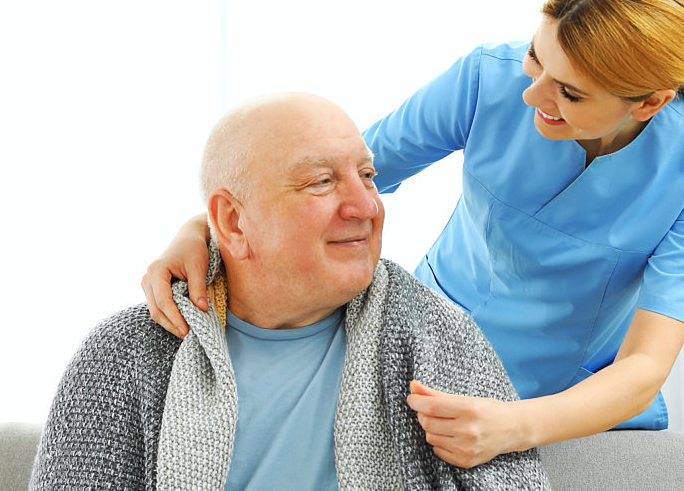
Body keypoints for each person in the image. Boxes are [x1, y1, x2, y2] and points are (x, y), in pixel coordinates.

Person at [139, 0, 684, 469]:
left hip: (572, 402)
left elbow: (646, 362)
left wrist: (516, 426)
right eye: (538, 58)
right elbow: (338, 181)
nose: (532, 94)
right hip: (425, 358)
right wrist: (210, 227)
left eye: (571, 92)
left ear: (651, 103)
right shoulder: (489, 77)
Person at [30, 93, 549, 490]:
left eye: (367, 175)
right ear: (231, 221)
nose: (366, 206)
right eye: (321, 182)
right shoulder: (124, 356)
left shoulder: (438, 338)